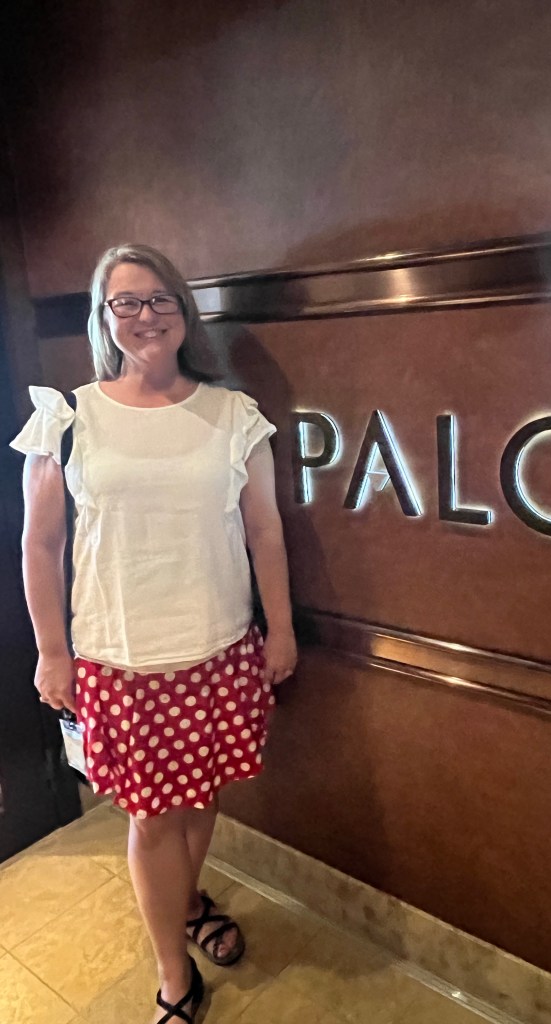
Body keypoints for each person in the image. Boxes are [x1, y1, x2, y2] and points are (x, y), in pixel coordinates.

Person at [10, 243, 297, 1024]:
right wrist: (51, 651)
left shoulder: (233, 415)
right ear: (103, 317)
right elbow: (40, 544)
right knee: (151, 817)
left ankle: (188, 901)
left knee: (199, 799)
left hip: (219, 648)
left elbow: (265, 532)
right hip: (121, 658)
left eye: (160, 298)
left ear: (183, 311)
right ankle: (175, 974)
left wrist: (280, 629)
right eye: (126, 302)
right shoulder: (68, 418)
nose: (146, 314)